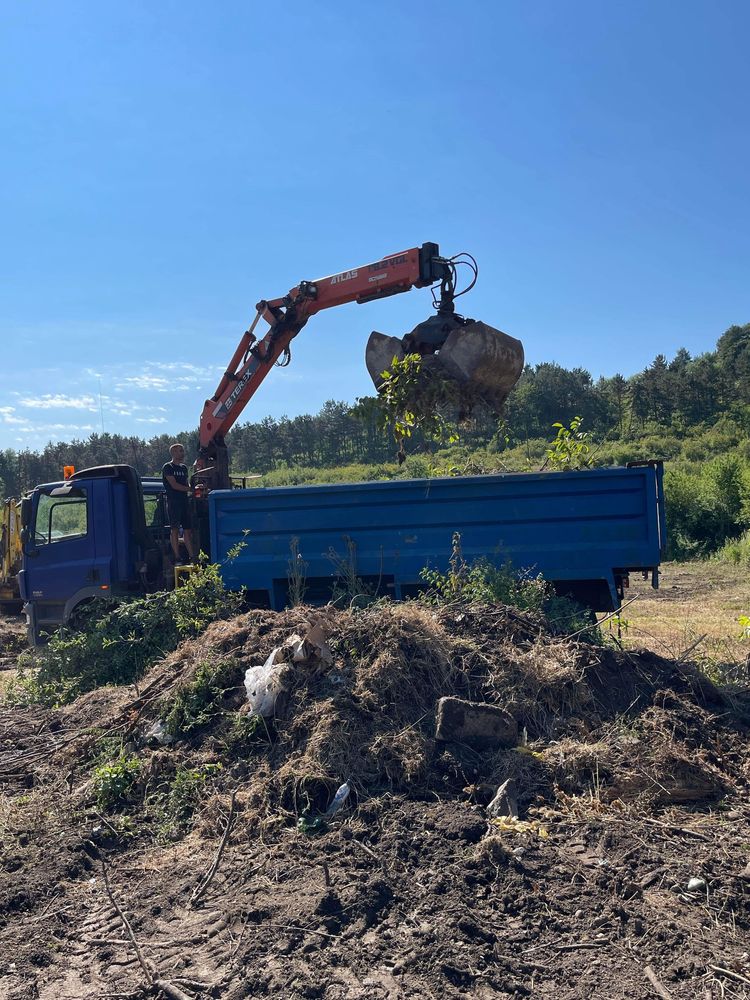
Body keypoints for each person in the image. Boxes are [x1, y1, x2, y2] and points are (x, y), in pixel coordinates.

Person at [162, 443, 196, 564]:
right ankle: (177, 556)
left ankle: (192, 556)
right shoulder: (168, 467)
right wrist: (190, 489)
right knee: (175, 529)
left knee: (187, 529)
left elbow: (186, 484)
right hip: (173, 502)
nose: (182, 453)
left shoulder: (183, 468)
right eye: (179, 451)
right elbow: (174, 485)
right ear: (173, 453)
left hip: (184, 501)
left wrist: (195, 487)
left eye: (182, 450)